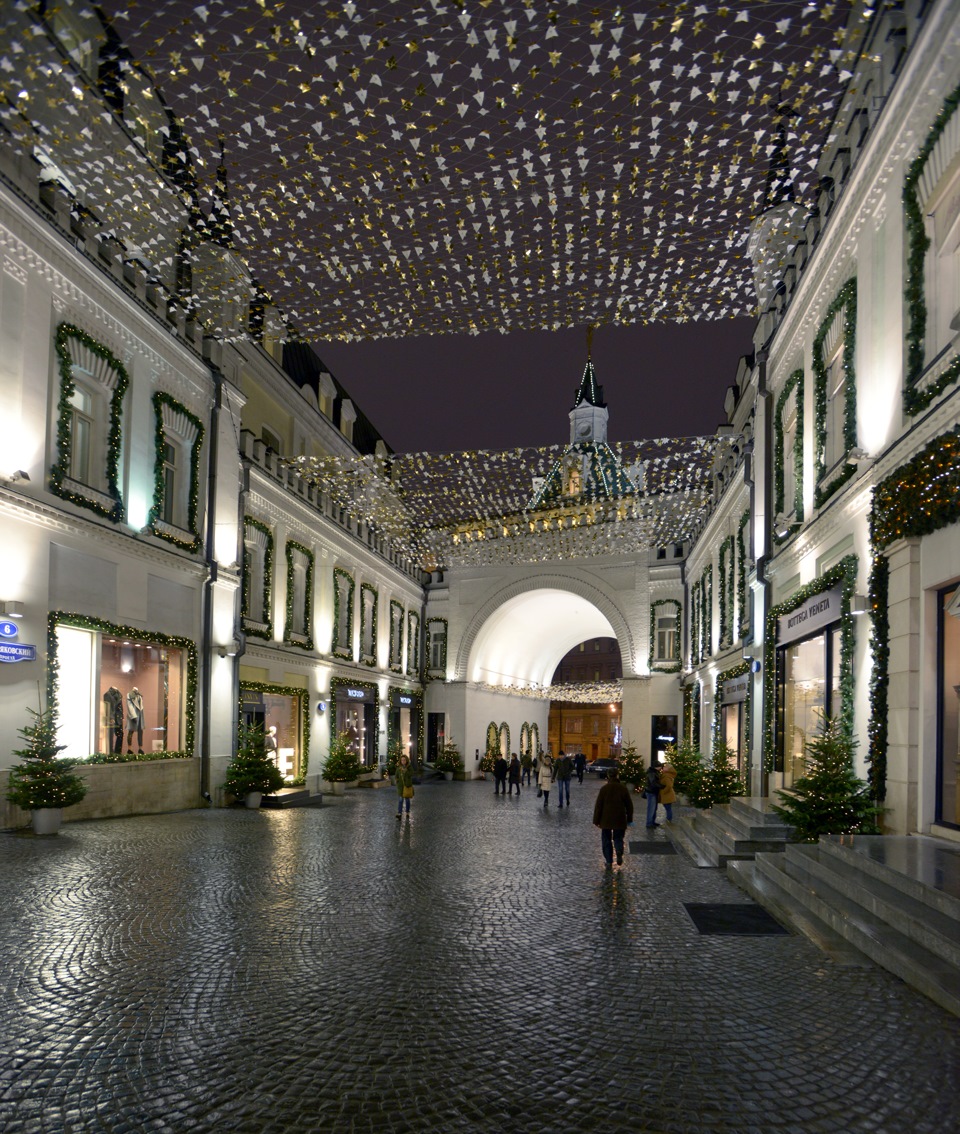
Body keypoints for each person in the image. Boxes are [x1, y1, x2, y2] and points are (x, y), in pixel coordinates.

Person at [592, 764, 634, 867]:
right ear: (617, 775)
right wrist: (629, 818)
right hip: (619, 818)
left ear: (608, 776)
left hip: (605, 819)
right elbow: (629, 805)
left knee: (606, 840)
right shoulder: (623, 788)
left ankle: (609, 861)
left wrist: (596, 820)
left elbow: (598, 806)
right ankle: (619, 850)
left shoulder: (604, 789)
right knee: (618, 837)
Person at [395, 754, 414, 819]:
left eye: (404, 760)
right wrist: (397, 781)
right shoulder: (399, 768)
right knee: (400, 800)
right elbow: (396, 775)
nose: (403, 761)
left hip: (407, 786)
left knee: (407, 800)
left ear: (406, 761)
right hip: (400, 786)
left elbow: (411, 774)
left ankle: (407, 812)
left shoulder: (409, 767)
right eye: (402, 760)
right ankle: (399, 813)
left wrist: (406, 771)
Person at [645, 760, 662, 828]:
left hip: (653, 792)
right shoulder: (652, 773)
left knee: (654, 808)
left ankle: (652, 822)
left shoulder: (654, 772)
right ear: (657, 767)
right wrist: (661, 786)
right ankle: (649, 823)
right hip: (651, 792)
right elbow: (653, 783)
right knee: (651, 808)